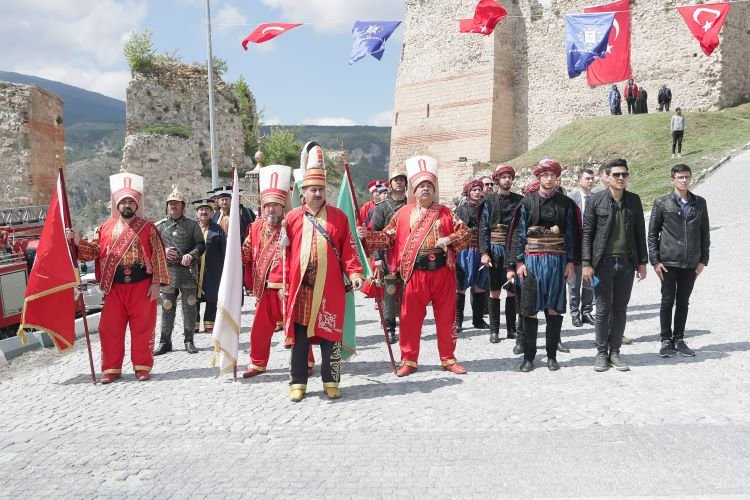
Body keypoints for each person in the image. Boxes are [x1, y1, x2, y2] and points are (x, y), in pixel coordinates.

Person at [365, 155, 470, 377]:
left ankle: (448, 358)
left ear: (434, 190)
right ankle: (409, 359)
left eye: (429, 186)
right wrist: (368, 236)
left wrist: (449, 239)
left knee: (446, 317)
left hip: (442, 272)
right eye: (421, 186)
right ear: (414, 190)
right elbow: (388, 237)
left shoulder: (445, 212)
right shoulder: (403, 213)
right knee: (410, 318)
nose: (425, 189)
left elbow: (465, 233)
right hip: (415, 272)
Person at [66, 171, 169, 383]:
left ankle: (142, 367)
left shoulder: (147, 227)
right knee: (110, 328)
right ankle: (111, 368)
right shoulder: (104, 228)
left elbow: (158, 254)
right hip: (114, 286)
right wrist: (77, 241)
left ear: (136, 204)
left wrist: (157, 283)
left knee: (143, 328)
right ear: (117, 205)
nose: (127, 205)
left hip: (142, 284)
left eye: (131, 201)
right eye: (123, 202)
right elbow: (93, 251)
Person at [283, 142, 364, 402]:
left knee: (332, 339)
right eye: (312, 189)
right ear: (302, 192)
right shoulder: (292, 218)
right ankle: (298, 382)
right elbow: (284, 254)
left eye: (321, 189)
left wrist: (355, 273)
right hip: (301, 289)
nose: (317, 193)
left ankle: (331, 381)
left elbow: (350, 251)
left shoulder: (339, 218)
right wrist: (283, 281)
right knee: (300, 340)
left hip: (330, 290)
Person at [506, 159, 580, 372]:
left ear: (557, 177)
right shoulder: (527, 203)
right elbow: (519, 234)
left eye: (552, 175)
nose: (549, 179)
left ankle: (551, 355)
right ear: (538, 177)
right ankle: (529, 357)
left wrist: (570, 263)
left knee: (554, 309)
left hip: (557, 262)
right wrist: (518, 262)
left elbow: (572, 235)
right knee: (529, 309)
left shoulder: (565, 204)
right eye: (544, 175)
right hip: (532, 262)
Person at [582, 159, 648, 372]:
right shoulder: (595, 201)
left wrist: (642, 263)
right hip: (602, 264)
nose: (621, 178)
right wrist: (586, 263)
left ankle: (615, 352)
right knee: (602, 310)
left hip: (627, 264)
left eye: (625, 175)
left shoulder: (634, 201)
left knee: (620, 310)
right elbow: (587, 234)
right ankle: (601, 353)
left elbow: (640, 233)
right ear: (607, 178)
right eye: (617, 174)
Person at [242, 164, 303, 377]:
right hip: (263, 288)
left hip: (285, 287)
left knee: (295, 328)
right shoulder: (255, 227)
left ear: (283, 205)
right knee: (259, 330)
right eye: (268, 205)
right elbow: (247, 252)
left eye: (276, 205)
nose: (271, 210)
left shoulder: (292, 226)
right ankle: (257, 363)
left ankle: (306, 362)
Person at [648, 164, 710, 358]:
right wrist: (655, 261)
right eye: (680, 177)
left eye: (687, 177)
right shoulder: (662, 203)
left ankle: (679, 338)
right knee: (667, 301)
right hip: (668, 262)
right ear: (672, 179)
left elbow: (704, 233)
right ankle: (666, 340)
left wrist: (703, 260)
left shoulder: (699, 203)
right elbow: (652, 234)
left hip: (691, 263)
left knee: (683, 301)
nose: (684, 180)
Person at [154, 186, 206, 355]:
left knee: (190, 305)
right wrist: (164, 251)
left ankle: (189, 340)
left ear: (183, 206)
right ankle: (164, 341)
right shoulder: (160, 227)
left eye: (176, 204)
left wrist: (191, 255)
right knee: (167, 306)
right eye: (170, 204)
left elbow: (201, 245)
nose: (173, 207)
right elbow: (153, 247)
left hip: (187, 271)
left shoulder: (192, 225)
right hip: (168, 272)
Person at [480, 165, 523, 344]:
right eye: (503, 177)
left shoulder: (520, 201)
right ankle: (494, 330)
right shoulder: (488, 202)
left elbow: (522, 228)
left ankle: (511, 329)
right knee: (495, 291)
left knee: (512, 291)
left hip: (512, 248)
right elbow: (483, 229)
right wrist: (484, 252)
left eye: (509, 177)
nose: (507, 180)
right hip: (495, 249)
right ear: (497, 180)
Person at [368, 170, 408, 344]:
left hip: (409, 254)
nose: (399, 183)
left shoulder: (412, 205)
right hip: (389, 255)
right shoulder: (382, 207)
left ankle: (408, 326)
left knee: (410, 292)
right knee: (390, 292)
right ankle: (390, 328)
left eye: (402, 180)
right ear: (390, 184)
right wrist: (377, 257)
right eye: (396, 180)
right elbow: (375, 233)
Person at [455, 179, 489, 333]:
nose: (477, 192)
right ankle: (458, 321)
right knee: (460, 286)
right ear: (468, 192)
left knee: (480, 286)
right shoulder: (460, 210)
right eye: (474, 189)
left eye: (478, 189)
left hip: (481, 250)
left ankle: (478, 319)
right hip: (463, 251)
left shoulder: (487, 208)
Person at [567, 169, 596, 328]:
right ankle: (574, 313)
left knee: (590, 281)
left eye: (592, 179)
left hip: (592, 247)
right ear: (579, 181)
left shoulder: (598, 198)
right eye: (587, 179)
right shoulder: (571, 199)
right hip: (576, 246)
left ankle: (586, 311)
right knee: (573, 282)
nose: (590, 181)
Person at [192, 198, 226, 334]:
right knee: (192, 298)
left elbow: (224, 252)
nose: (204, 212)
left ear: (212, 213)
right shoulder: (192, 228)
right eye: (201, 209)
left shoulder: (218, 230)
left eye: (207, 209)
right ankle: (193, 324)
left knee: (212, 297)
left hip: (212, 271)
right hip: (194, 271)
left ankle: (209, 323)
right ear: (196, 213)